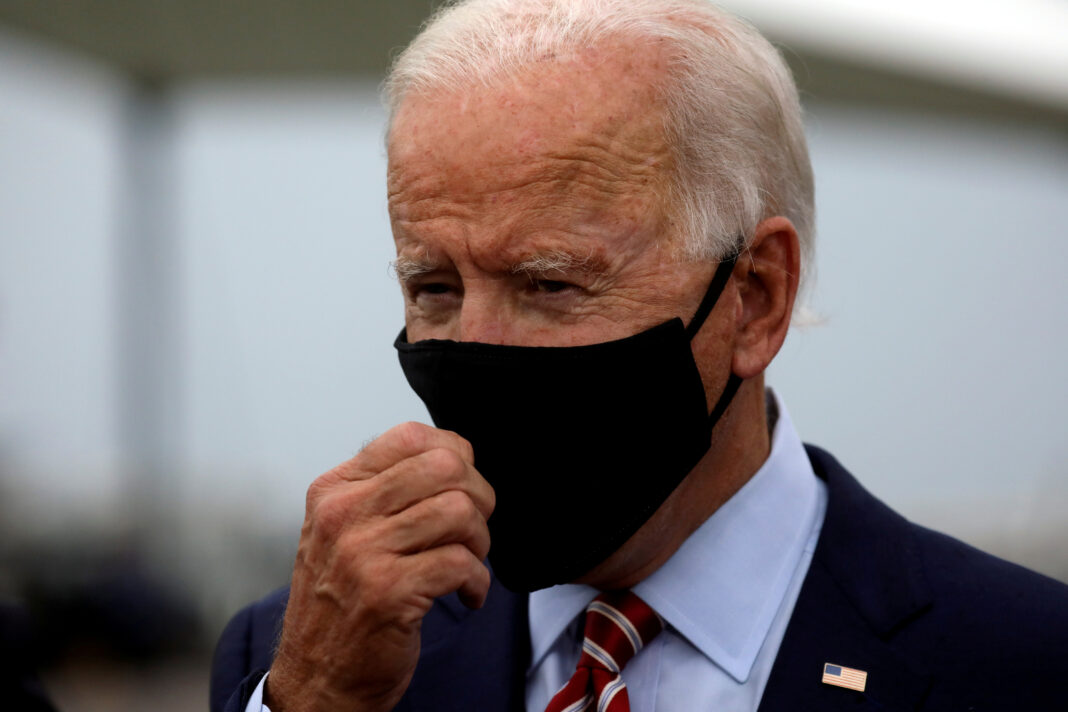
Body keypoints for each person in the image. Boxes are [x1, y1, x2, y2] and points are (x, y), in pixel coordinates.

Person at [210, 1, 1068, 710]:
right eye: (434, 288)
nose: (475, 346)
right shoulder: (305, 660)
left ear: (755, 297)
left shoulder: (1023, 665)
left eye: (549, 286)